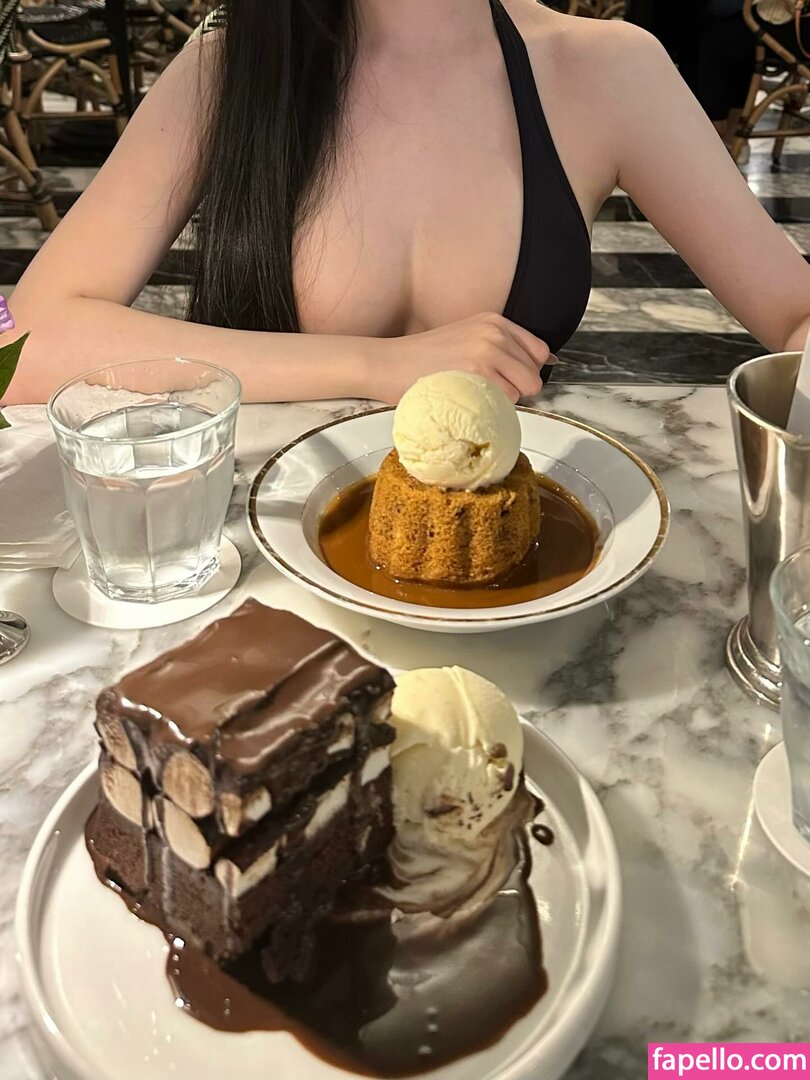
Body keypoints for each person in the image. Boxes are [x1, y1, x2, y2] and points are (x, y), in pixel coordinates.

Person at [5, 0, 810, 407]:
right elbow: (24, 343)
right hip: (261, 571)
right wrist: (377, 366)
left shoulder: (606, 70)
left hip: (507, 562)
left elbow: (796, 312)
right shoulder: (230, 68)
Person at [698, 0, 806, 150]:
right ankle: (730, 133)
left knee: (717, 30)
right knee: (726, 19)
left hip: (797, 26)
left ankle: (714, 132)